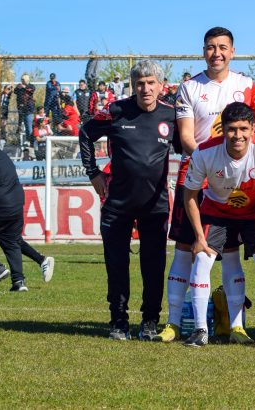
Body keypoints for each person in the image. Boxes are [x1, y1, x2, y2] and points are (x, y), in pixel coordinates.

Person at [156, 27, 255, 344]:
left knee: (230, 250)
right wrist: (212, 163)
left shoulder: (246, 85)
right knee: (185, 249)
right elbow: (187, 137)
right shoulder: (189, 87)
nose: (217, 53)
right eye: (211, 47)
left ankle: (237, 325)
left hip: (234, 180)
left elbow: (253, 133)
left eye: (222, 47)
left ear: (233, 51)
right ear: (203, 51)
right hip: (196, 175)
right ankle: (174, 323)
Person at [80, 60, 179, 340]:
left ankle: (149, 321)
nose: (145, 88)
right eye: (140, 83)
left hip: (155, 205)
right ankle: (118, 321)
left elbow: (186, 147)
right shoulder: (116, 111)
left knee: (153, 265)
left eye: (150, 83)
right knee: (116, 265)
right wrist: (93, 172)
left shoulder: (171, 115)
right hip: (117, 205)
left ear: (161, 86)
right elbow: (85, 132)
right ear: (133, 86)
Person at [181, 102, 255, 348]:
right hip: (217, 212)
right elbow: (190, 195)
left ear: (252, 129)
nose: (238, 135)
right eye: (231, 129)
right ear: (223, 129)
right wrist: (199, 237)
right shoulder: (205, 151)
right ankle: (200, 330)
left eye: (243, 129)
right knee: (202, 258)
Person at [0, 135, 53, 292]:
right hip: (15, 203)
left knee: (10, 240)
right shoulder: (3, 156)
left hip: (2, 204)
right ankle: (19, 281)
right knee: (11, 240)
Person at [14, 75, 36, 142]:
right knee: (25, 126)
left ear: (27, 79)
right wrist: (18, 87)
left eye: (23, 79)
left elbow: (31, 91)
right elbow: (15, 91)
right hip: (21, 108)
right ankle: (28, 140)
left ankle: (31, 142)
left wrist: (24, 87)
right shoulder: (19, 86)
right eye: (21, 79)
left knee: (29, 126)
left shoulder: (31, 86)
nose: (22, 81)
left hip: (29, 109)